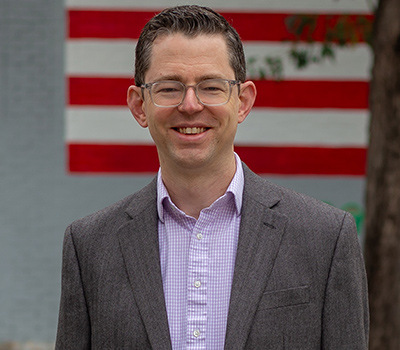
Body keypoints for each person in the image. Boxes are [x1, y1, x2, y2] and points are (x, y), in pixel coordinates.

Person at [56, 5, 369, 349]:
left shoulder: (324, 238)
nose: (190, 105)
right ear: (139, 106)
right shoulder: (89, 247)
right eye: (169, 88)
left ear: (243, 101)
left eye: (211, 86)